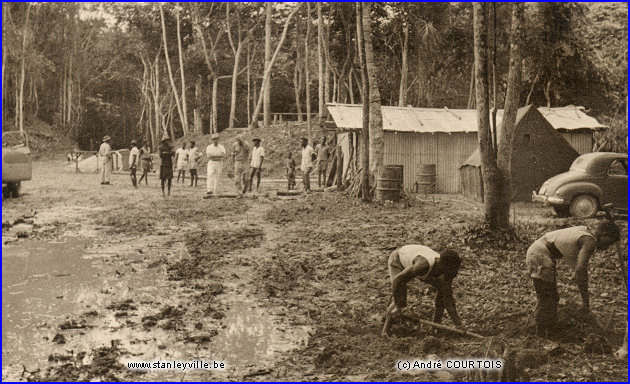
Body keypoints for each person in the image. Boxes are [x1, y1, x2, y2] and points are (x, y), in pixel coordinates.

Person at [525, 221, 620, 338]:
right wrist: (586, 302)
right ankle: (541, 336)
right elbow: (581, 269)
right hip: (540, 255)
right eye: (609, 243)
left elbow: (577, 264)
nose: (606, 248)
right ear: (605, 235)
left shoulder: (586, 232)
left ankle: (548, 331)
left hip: (540, 253)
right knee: (547, 297)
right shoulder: (590, 242)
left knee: (551, 297)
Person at [382, 245, 463, 336]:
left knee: (442, 289)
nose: (455, 274)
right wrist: (399, 305)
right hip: (398, 260)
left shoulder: (448, 271)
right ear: (442, 266)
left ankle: (435, 327)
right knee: (398, 297)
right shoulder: (423, 265)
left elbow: (448, 299)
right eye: (453, 270)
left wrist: (458, 324)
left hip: (419, 260)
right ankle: (385, 332)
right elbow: (398, 280)